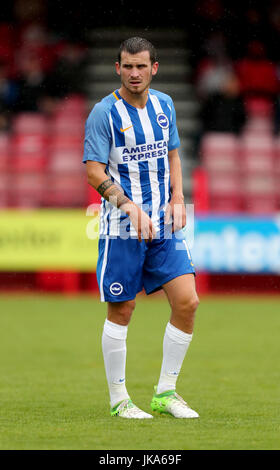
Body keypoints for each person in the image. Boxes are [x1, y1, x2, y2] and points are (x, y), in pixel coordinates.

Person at [83, 37, 200, 419]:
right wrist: (130, 208)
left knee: (187, 302)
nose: (135, 73)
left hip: (165, 222)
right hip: (121, 224)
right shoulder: (105, 113)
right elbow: (93, 170)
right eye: (127, 66)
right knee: (123, 308)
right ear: (117, 68)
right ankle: (119, 400)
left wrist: (179, 198)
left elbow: (172, 153)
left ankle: (165, 393)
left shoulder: (165, 105)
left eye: (141, 66)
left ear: (154, 68)